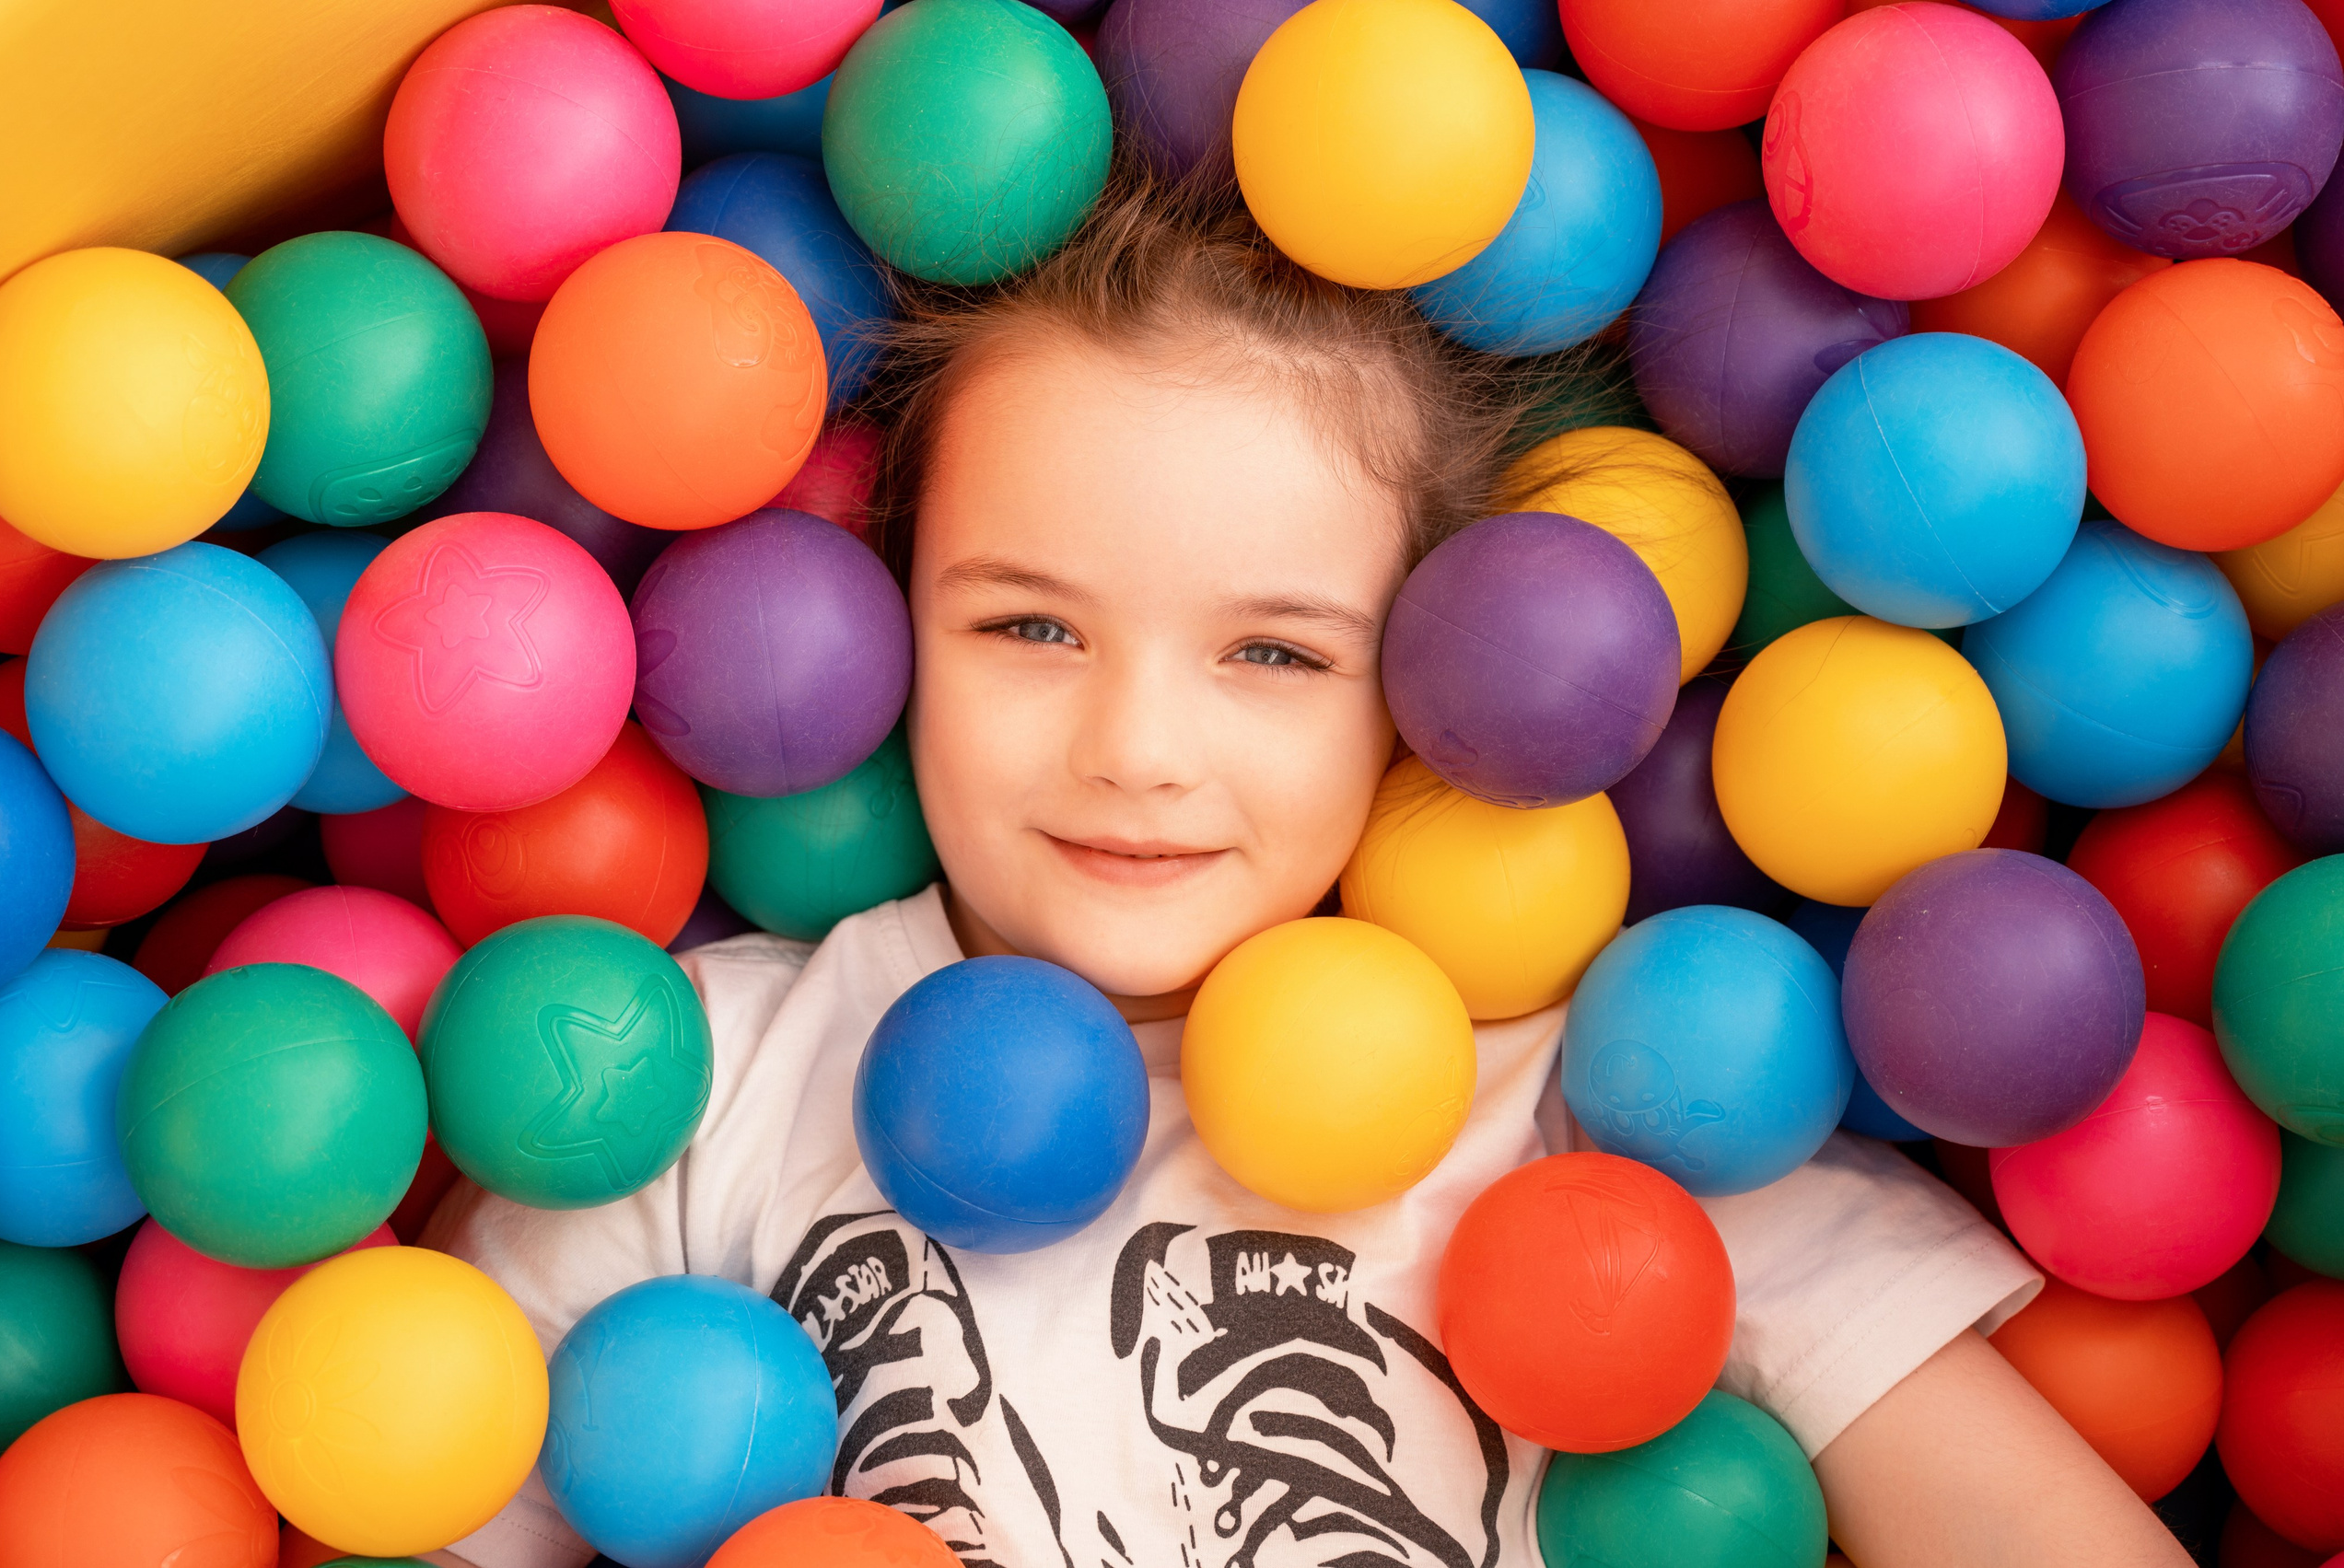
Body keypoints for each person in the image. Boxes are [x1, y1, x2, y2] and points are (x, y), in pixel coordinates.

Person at [425, 173, 2192, 1568]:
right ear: (887, 626)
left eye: (1272, 654)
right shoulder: (697, 1081)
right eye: (1030, 623)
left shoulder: (1616, 1109)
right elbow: (432, 1499)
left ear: (1434, 694)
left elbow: (2017, 1519)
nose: (1136, 746)